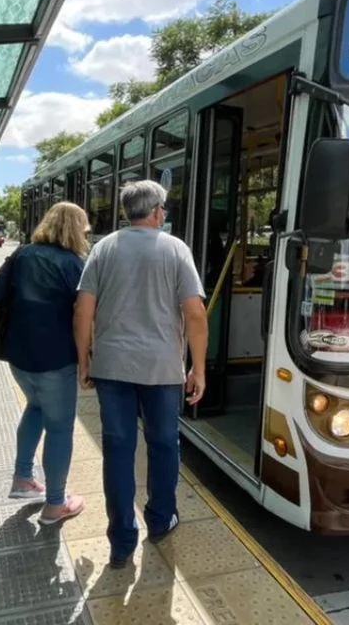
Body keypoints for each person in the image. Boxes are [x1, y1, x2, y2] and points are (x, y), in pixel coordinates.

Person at [74, 180, 208, 568]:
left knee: (117, 450)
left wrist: (84, 360)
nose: (164, 214)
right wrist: (198, 368)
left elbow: (83, 310)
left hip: (112, 367)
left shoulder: (103, 248)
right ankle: (160, 518)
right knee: (164, 444)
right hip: (163, 369)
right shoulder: (175, 249)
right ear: (156, 211)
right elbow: (195, 313)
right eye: (163, 208)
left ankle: (121, 541)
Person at [0, 202, 90, 524]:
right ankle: (56, 504)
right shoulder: (73, 263)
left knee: (34, 408)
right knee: (60, 428)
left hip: (18, 353)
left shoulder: (22, 254)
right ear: (76, 229)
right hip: (55, 357)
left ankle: (22, 479)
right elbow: (84, 312)